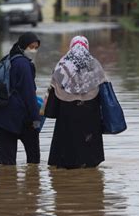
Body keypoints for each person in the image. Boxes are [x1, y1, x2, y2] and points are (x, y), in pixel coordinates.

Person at [44, 36, 106, 169]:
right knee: (88, 140)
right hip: (90, 112)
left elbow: (53, 89)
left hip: (67, 111)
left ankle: (68, 165)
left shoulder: (62, 66)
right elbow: (103, 88)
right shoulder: (95, 65)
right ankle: (89, 165)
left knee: (68, 139)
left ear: (71, 47)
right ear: (86, 47)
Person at [0, 32, 41, 165]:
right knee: (34, 163)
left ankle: (5, 185)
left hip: (1, 118)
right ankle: (32, 184)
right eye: (31, 47)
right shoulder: (24, 65)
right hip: (21, 119)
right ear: (23, 46)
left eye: (36, 47)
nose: (34, 51)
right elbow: (29, 95)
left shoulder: (8, 59)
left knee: (5, 165)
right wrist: (36, 120)